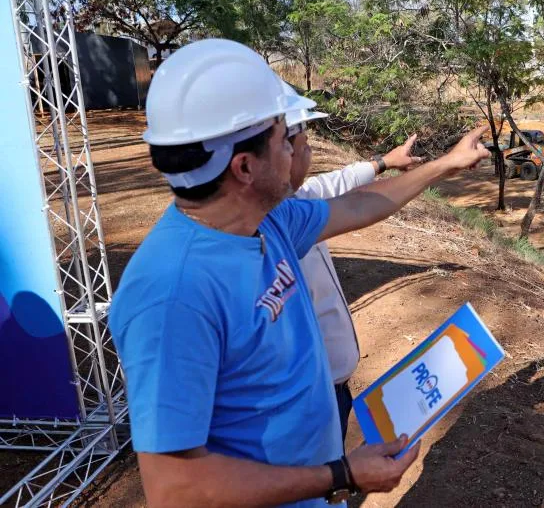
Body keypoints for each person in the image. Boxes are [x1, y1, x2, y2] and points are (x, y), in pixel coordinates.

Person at [109, 38, 489, 507]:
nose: (294, 152)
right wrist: (340, 474)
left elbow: (356, 204)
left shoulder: (269, 221)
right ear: (245, 166)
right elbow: (175, 489)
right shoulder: (172, 294)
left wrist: (444, 165)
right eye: (283, 136)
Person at [282, 86, 422, 442]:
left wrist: (383, 163)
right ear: (277, 151)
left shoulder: (295, 201)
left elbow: (336, 183)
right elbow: (359, 205)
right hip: (311, 396)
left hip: (330, 385)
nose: (310, 150)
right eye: (304, 141)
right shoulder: (280, 227)